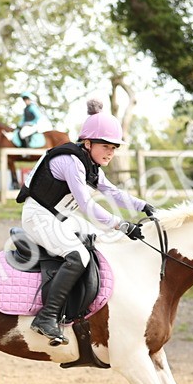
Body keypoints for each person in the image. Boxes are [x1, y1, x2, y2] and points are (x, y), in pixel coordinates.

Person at [16, 99, 157, 345]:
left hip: (59, 217)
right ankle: (47, 317)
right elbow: (87, 206)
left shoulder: (90, 163)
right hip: (38, 216)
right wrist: (122, 224)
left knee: (105, 240)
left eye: (114, 147)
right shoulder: (72, 162)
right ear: (88, 142)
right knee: (78, 256)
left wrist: (142, 205)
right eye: (106, 146)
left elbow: (113, 193)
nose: (110, 152)